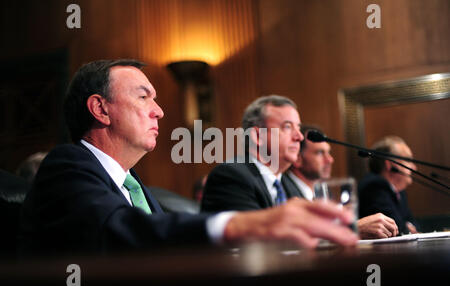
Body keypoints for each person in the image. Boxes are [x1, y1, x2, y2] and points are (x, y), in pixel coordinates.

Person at [19, 59, 358, 256]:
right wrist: (238, 223)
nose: (160, 111)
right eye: (144, 97)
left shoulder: (133, 184)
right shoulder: (66, 166)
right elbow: (120, 230)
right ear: (100, 109)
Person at [284, 126, 400, 239]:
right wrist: (354, 228)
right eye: (320, 153)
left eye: (328, 152)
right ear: (298, 158)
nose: (329, 160)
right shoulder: (283, 192)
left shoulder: (325, 193)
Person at [201, 95, 303, 213]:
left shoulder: (290, 185)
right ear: (257, 136)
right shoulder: (231, 177)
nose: (299, 137)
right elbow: (251, 229)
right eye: (287, 126)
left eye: (299, 128)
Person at [358, 136, 419, 235]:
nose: (414, 167)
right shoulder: (374, 187)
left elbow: (413, 223)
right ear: (390, 165)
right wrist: (406, 228)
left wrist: (407, 227)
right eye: (408, 160)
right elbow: (394, 228)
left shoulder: (399, 191)